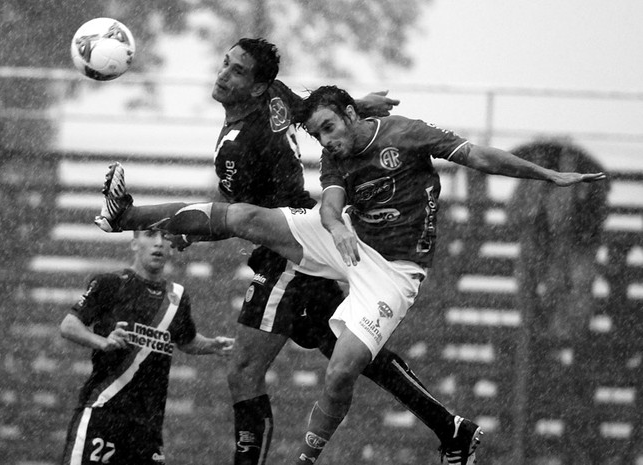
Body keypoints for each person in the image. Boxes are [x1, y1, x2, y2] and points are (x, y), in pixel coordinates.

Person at [94, 85, 606, 464]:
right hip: (347, 244)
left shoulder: (406, 135)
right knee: (249, 218)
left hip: (393, 273)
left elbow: (479, 157)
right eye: (317, 134)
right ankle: (127, 215)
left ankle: (316, 456)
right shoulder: (333, 156)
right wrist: (336, 227)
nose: (325, 141)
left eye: (330, 128)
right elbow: (333, 203)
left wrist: (549, 175)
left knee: (341, 371)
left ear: (351, 114)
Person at [95, 38, 482, 465]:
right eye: (225, 64)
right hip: (301, 230)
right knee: (346, 353)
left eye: (237, 71)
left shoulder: (236, 146)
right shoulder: (278, 97)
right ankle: (451, 428)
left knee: (245, 371)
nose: (223, 74)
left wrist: (187, 232)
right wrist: (359, 103)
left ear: (259, 87)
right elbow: (308, 108)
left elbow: (240, 218)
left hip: (288, 254)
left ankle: (125, 214)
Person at [59, 229, 235, 465]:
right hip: (103, 413)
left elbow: (186, 340)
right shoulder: (109, 283)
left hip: (147, 426)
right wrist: (103, 342)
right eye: (150, 235)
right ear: (134, 243)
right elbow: (69, 325)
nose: (159, 243)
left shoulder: (177, 296)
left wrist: (213, 345)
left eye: (165, 237)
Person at [507, 139, 609, 341]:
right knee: (538, 280)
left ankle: (560, 329)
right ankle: (540, 327)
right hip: (543, 244)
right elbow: (516, 214)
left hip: (564, 245)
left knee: (562, 282)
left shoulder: (575, 183)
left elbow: (562, 219)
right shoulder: (532, 183)